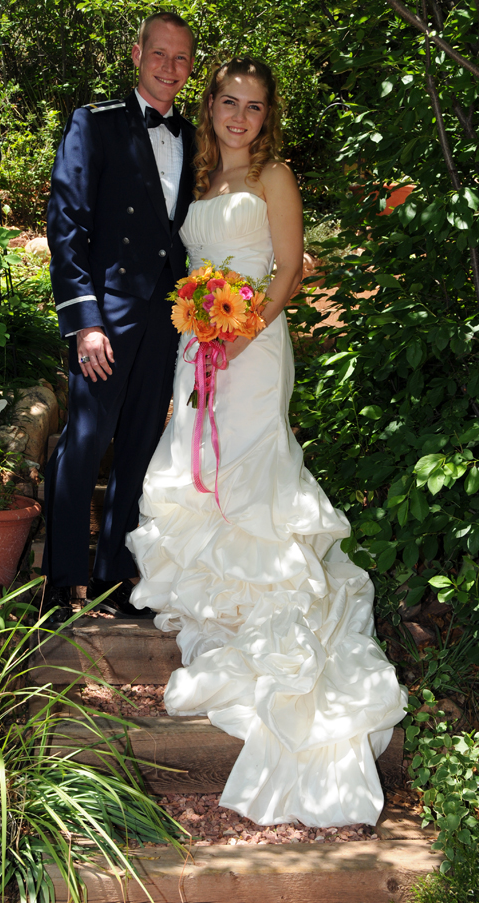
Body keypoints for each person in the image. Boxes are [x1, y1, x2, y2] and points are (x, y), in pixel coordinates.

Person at [127, 57, 407, 827]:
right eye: (227, 101)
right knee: (199, 462)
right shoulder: (197, 174)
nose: (238, 116)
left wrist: (240, 332)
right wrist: (201, 327)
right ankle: (224, 600)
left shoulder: (275, 177)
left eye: (253, 106)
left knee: (252, 464)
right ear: (211, 105)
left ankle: (273, 612)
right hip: (201, 341)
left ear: (267, 115)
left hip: (252, 343)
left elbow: (287, 272)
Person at [43, 12, 196, 621]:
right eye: (159, 54)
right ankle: (60, 582)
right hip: (106, 315)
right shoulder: (95, 122)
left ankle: (112, 578)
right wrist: (85, 320)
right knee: (84, 443)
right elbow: (67, 224)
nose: (169, 67)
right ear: (137, 54)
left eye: (181, 58)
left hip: (167, 317)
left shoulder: (195, 136)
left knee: (138, 448)